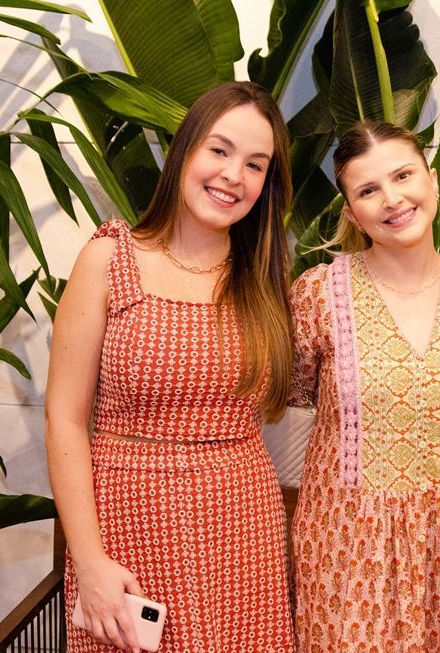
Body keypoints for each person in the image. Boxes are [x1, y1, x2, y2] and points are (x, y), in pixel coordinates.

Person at [45, 81, 295, 653]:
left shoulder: (264, 279)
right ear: (185, 150)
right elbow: (64, 418)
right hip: (127, 526)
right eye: (219, 150)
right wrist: (89, 560)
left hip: (242, 529)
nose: (233, 175)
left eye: (255, 164)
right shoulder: (109, 258)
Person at [288, 121, 440, 651]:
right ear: (351, 212)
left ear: (432, 181)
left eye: (403, 176)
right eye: (368, 190)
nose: (392, 199)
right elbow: (292, 404)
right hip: (350, 560)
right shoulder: (317, 294)